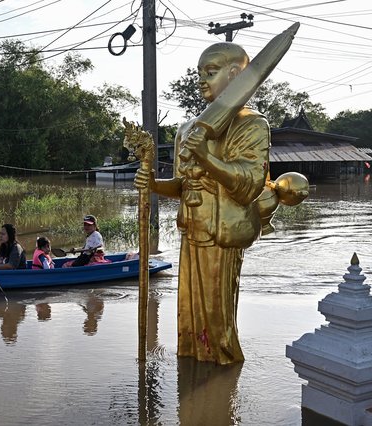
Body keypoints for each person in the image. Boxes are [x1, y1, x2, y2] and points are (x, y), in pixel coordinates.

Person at [134, 42, 270, 365]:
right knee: (190, 317)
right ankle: (193, 371)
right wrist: (152, 184)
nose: (202, 81)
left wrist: (207, 158)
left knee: (216, 313)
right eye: (199, 74)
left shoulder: (252, 125)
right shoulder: (188, 129)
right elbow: (183, 185)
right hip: (191, 228)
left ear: (235, 74)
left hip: (220, 231)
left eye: (210, 72)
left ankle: (221, 377)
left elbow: (248, 183)